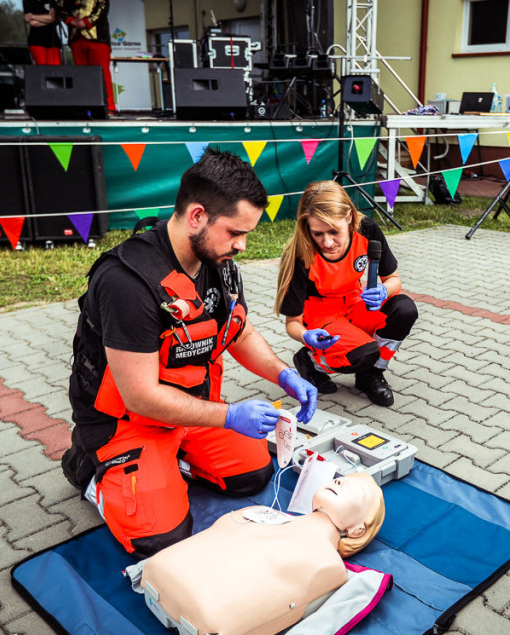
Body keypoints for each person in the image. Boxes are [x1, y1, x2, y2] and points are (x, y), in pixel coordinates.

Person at [61, 148, 318, 558]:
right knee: (160, 539)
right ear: (197, 216)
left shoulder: (218, 261)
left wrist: (284, 375)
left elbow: (238, 331)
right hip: (126, 424)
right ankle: (88, 465)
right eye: (236, 232)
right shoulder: (127, 282)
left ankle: (173, 457)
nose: (244, 246)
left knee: (254, 473)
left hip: (190, 411)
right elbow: (140, 396)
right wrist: (231, 416)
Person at [138, 472, 386, 635]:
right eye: (341, 479)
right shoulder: (264, 513)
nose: (340, 481)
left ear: (358, 529)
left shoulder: (328, 563)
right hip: (168, 570)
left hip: (203, 615)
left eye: (355, 490)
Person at [275, 181, 418, 407]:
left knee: (404, 309)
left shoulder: (367, 230)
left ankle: (371, 374)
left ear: (350, 217)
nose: (328, 242)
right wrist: (305, 336)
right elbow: (292, 322)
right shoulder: (300, 255)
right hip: (322, 318)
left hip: (356, 303)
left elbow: (393, 279)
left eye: (334, 231)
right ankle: (310, 361)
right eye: (318, 234)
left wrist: (383, 291)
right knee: (364, 353)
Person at [61, 0, 115, 111]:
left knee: (102, 74)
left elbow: (103, 6)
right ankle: (85, 107)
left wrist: (87, 21)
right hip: (76, 37)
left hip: (98, 37)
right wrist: (70, 20)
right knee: (81, 76)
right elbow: (60, 7)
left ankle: (108, 107)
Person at [23, 0, 62, 66]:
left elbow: (52, 18)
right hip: (36, 41)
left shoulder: (51, 1)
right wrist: (47, 19)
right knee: (41, 69)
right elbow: (32, 22)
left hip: (53, 41)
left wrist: (33, 16)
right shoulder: (28, 2)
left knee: (55, 70)